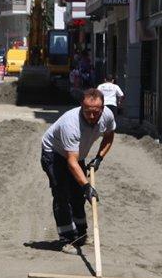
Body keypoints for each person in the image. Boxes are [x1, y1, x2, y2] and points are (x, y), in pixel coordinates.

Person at [40, 88, 116, 250]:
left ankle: (81, 235)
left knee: (78, 195)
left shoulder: (107, 116)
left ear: (102, 109)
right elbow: (71, 162)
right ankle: (67, 239)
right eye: (87, 111)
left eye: (96, 112)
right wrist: (87, 186)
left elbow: (109, 136)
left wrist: (99, 158)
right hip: (54, 153)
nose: (91, 116)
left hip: (77, 154)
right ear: (82, 106)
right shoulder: (71, 124)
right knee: (62, 194)